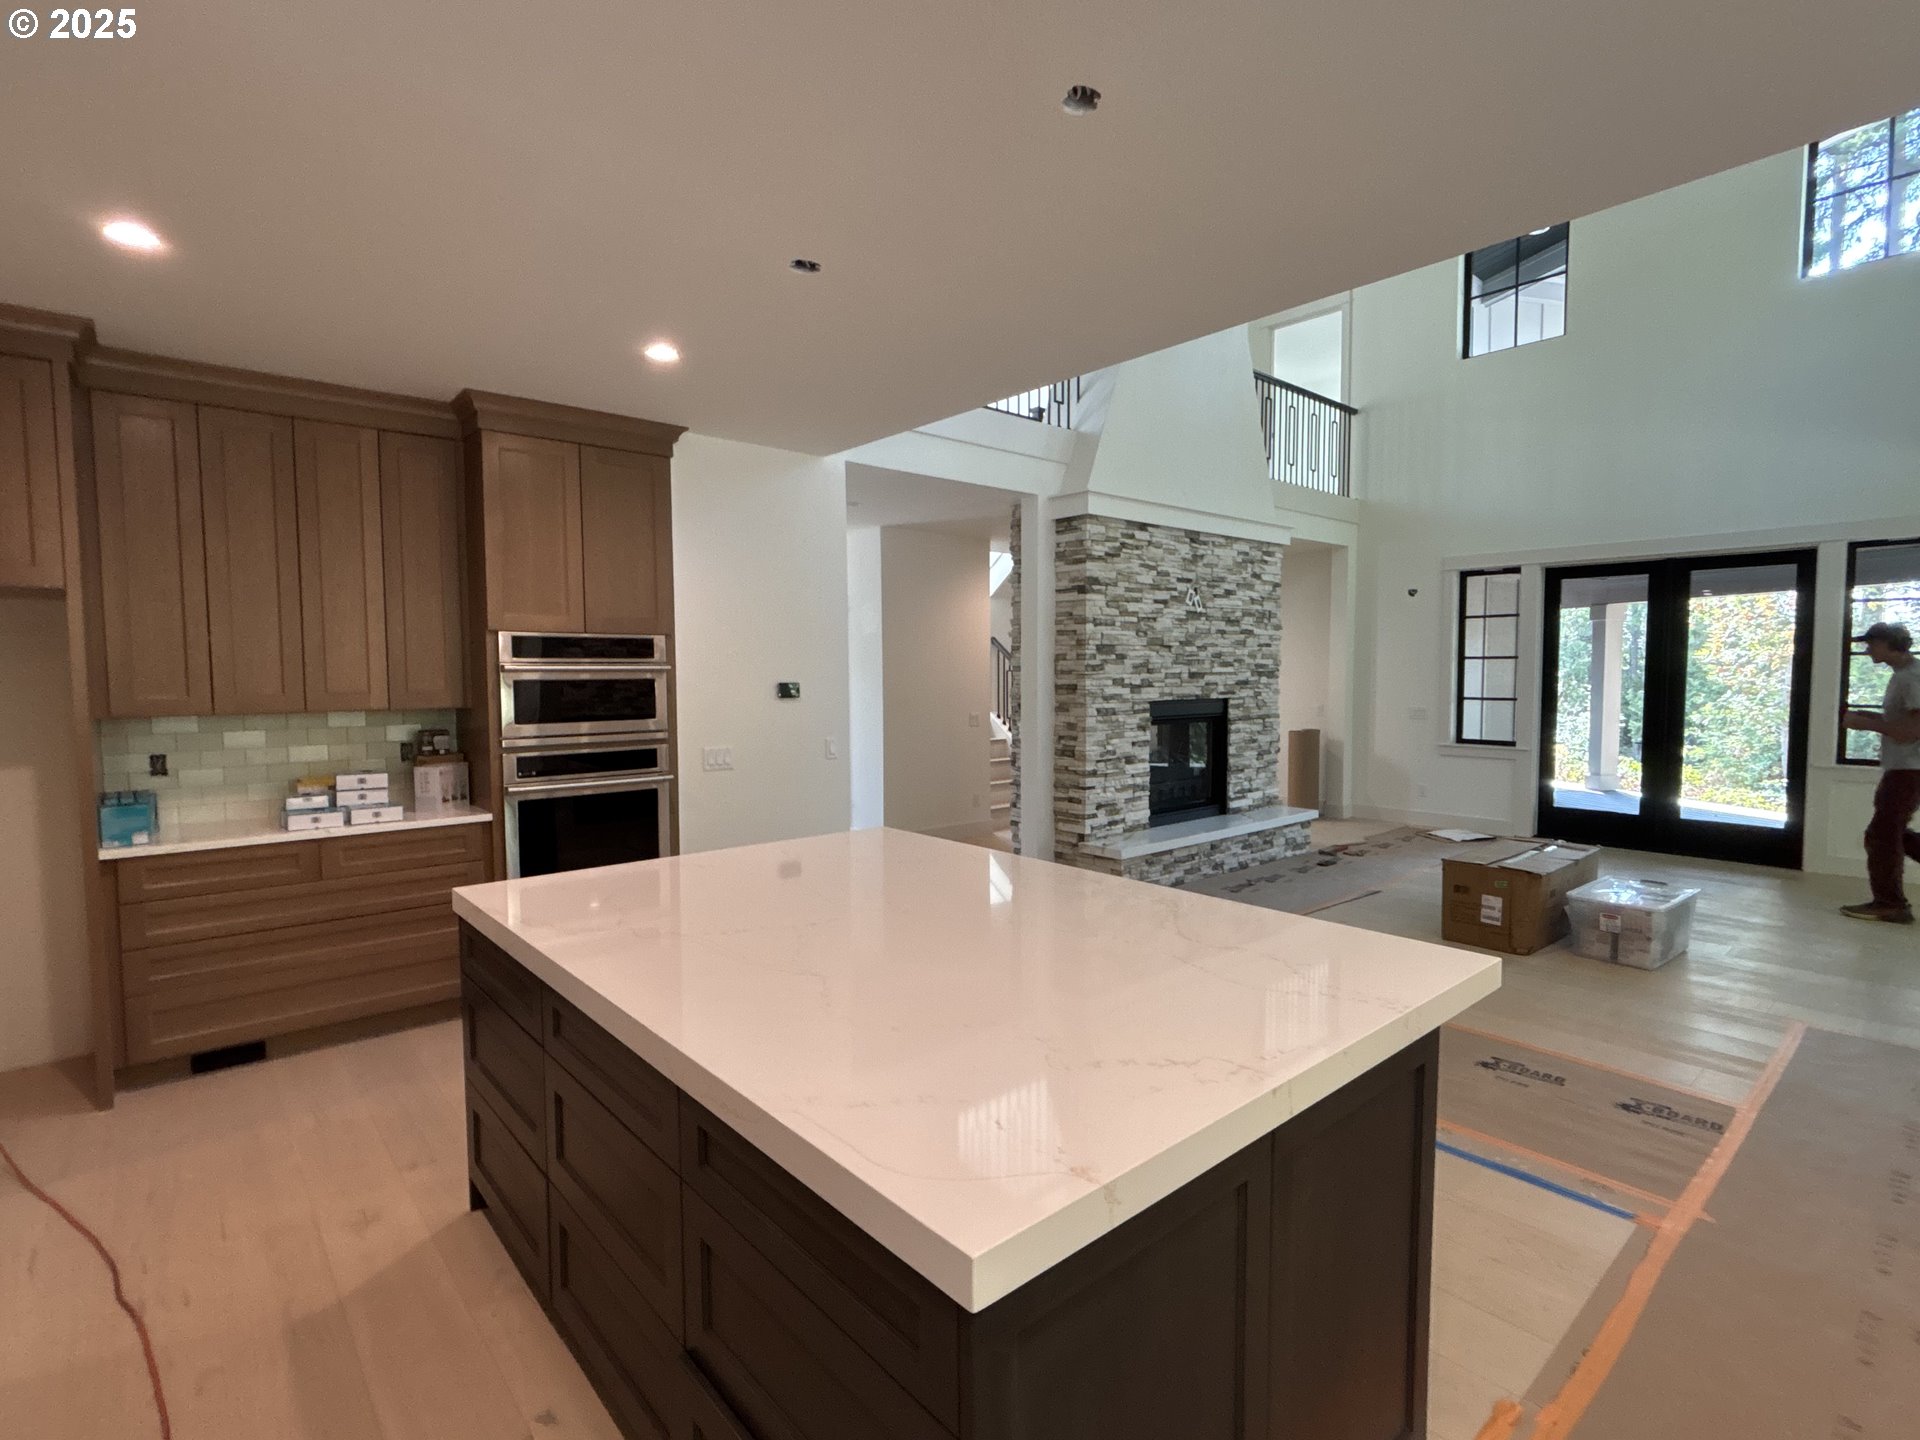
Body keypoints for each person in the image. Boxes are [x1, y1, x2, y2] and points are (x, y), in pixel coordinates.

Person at [1841, 621, 1920, 923]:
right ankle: (1890, 902)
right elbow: (1901, 722)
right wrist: (1870, 717)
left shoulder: (1911, 678)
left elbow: (1912, 731)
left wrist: (1867, 724)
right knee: (1890, 833)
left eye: (1871, 643)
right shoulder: (1904, 675)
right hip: (1905, 768)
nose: (1867, 649)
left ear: (1888, 644)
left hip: (1909, 769)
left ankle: (1891, 904)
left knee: (1881, 835)